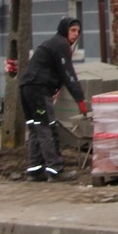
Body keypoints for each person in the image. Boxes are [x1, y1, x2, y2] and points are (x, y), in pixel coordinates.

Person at [17, 17, 89, 181]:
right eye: (72, 30)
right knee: (47, 129)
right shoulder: (61, 44)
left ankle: (35, 171)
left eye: (78, 31)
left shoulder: (52, 43)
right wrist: (80, 99)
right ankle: (55, 171)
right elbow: (68, 73)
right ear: (64, 30)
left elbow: (55, 71)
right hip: (38, 90)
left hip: (26, 89)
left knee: (35, 130)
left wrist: (55, 88)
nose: (76, 34)